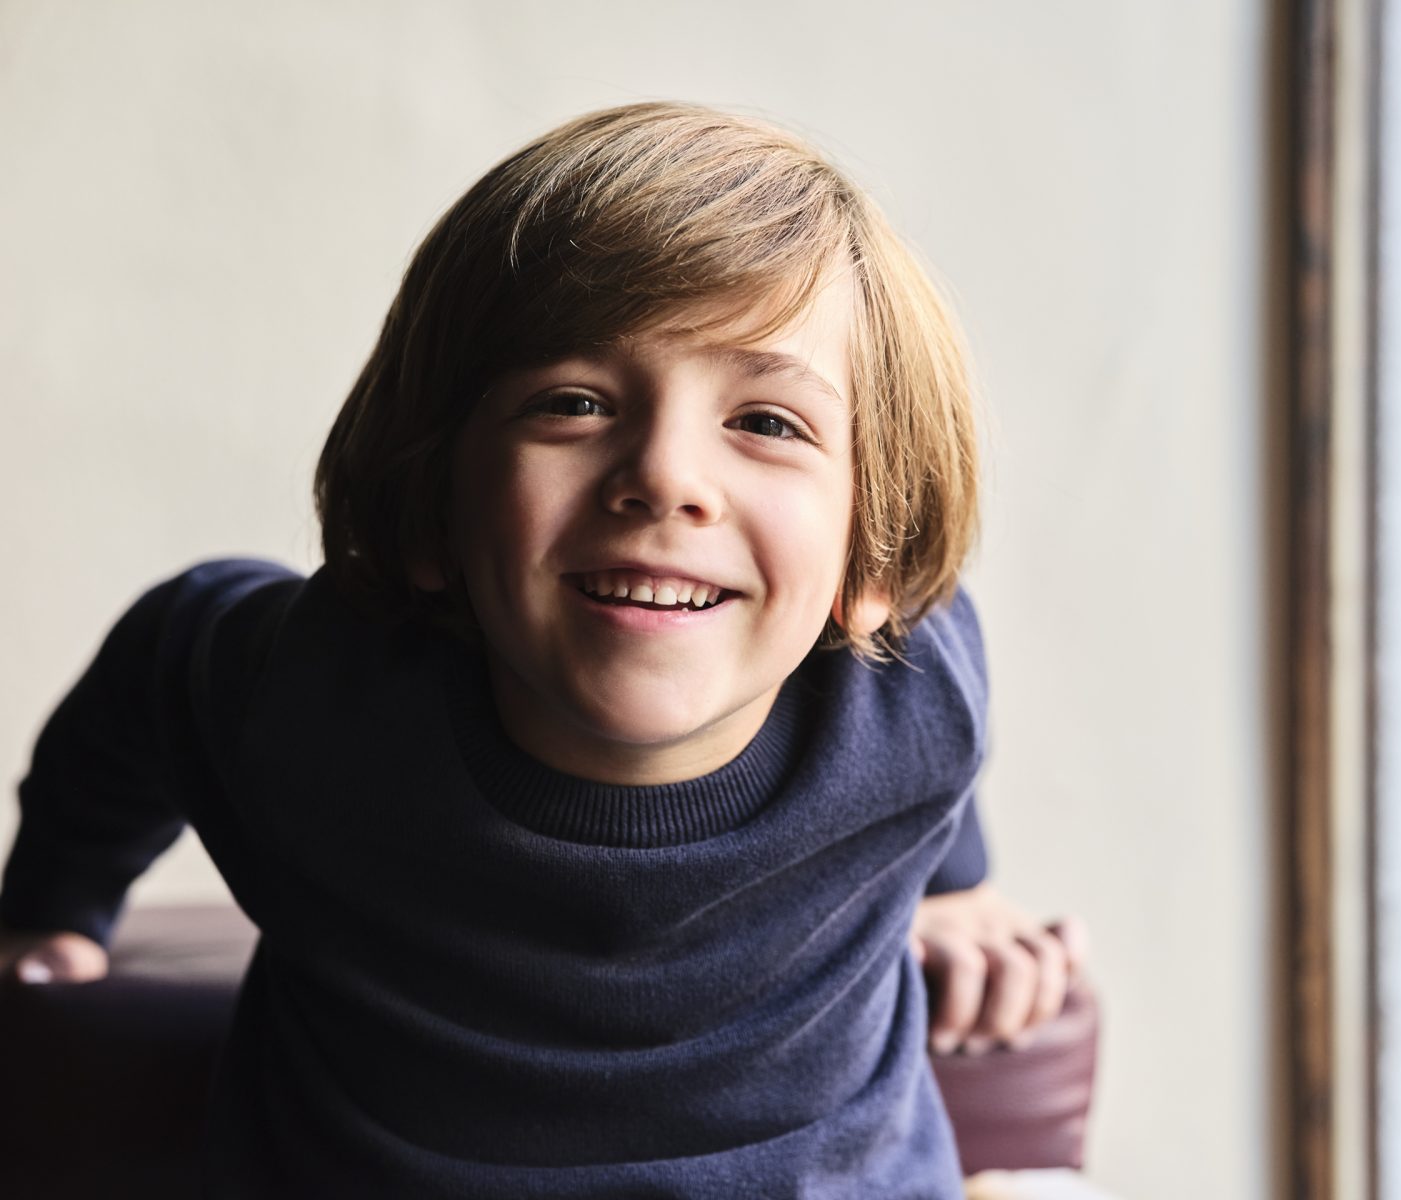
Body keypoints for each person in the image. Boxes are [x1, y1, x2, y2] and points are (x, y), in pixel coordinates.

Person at [0, 102, 1084, 1196]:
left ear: (874, 561)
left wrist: (953, 887)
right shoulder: (315, 700)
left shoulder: (914, 689)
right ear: (431, 512)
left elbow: (929, 731)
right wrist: (52, 903)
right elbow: (163, 657)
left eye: (765, 422)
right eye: (573, 403)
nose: (664, 477)